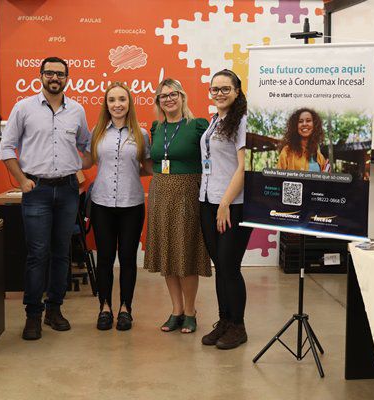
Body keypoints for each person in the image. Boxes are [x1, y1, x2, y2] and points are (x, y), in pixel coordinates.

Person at [0, 56, 92, 340]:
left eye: (60, 74)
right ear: (40, 75)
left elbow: (86, 145)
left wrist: (81, 165)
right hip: (36, 191)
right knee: (38, 254)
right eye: (49, 73)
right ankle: (33, 315)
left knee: (61, 252)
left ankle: (54, 309)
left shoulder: (76, 110)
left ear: (67, 78)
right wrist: (22, 180)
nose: (55, 78)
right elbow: (7, 147)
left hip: (67, 191)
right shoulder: (23, 108)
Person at [144, 78, 211, 334]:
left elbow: (210, 160)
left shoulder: (198, 125)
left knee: (186, 254)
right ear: (158, 102)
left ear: (182, 97)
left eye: (174, 94)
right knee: (168, 254)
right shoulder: (156, 127)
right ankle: (176, 310)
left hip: (187, 194)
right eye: (164, 96)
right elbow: (153, 161)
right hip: (160, 193)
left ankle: (191, 312)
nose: (169, 99)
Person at [88, 82, 152, 331]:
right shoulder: (96, 132)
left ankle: (126, 308)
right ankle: (104, 308)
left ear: (129, 103)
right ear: (106, 104)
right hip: (102, 204)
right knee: (104, 258)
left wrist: (175, 167)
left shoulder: (141, 134)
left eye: (122, 99)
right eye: (112, 100)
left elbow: (148, 167)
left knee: (127, 258)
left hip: (131, 204)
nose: (117, 104)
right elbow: (87, 161)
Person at [199, 69, 253, 350]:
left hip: (233, 205)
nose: (219, 93)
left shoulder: (242, 121)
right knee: (220, 266)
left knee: (230, 267)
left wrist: (224, 204)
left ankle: (238, 326)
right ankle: (224, 321)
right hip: (207, 201)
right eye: (215, 89)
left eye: (225, 89)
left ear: (237, 91)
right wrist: (212, 203)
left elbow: (244, 167)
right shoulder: (214, 121)